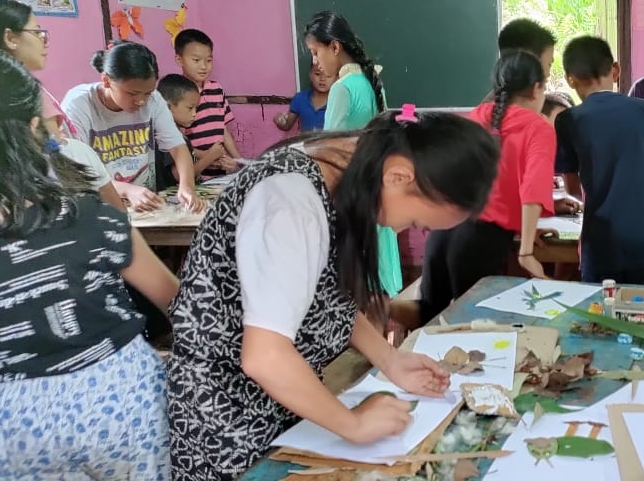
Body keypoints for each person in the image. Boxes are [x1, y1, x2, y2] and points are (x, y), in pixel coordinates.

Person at [165, 109, 500, 480]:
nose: (408, 228)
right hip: (228, 416)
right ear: (398, 175)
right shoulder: (292, 201)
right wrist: (351, 424)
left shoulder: (346, 170)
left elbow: (321, 293)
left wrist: (389, 360)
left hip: (284, 398)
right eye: (417, 220)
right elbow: (265, 357)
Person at [0, 47, 178, 480]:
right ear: (32, 132)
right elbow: (174, 298)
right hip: (124, 400)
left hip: (19, 418)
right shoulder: (91, 218)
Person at [399, 50, 558, 327]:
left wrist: (525, 228)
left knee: (430, 313)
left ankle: (380, 318)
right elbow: (532, 189)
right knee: (476, 324)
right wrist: (526, 252)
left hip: (442, 231)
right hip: (480, 240)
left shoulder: (476, 115)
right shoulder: (538, 127)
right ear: (537, 88)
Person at [0, 0, 122, 210]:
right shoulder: (24, 93)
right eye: (37, 32)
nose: (44, 40)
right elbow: (54, 154)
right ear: (10, 38)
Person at [555, 36, 644, 285]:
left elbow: (572, 190)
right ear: (615, 70)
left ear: (570, 78)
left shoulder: (568, 119)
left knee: (601, 318)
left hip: (603, 245)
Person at [303, 10, 403, 298]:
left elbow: (326, 147)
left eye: (315, 52)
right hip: (374, 186)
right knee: (376, 279)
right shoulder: (372, 82)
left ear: (334, 47)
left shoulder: (343, 89)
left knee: (353, 281)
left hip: (352, 191)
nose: (316, 63)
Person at [61, 42, 204, 213]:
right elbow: (77, 172)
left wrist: (186, 187)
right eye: (132, 93)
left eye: (147, 93)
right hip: (99, 208)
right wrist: (128, 191)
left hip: (144, 206)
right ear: (106, 81)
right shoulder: (79, 104)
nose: (141, 101)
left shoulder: (154, 100)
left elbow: (178, 148)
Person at [175, 28, 241, 178]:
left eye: (209, 60)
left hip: (219, 171)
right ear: (179, 60)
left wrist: (239, 160)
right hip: (193, 172)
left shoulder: (216, 89)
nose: (204, 66)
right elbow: (178, 142)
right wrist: (207, 156)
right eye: (196, 60)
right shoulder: (177, 96)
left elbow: (222, 128)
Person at [156, 74, 218, 191]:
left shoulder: (177, 131)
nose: (194, 113)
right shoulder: (167, 136)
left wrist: (207, 156)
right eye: (190, 108)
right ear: (168, 108)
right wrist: (209, 157)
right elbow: (178, 175)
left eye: (196, 108)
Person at [276, 63, 331, 132]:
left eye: (328, 75)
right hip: (306, 142)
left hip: (330, 142)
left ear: (336, 77)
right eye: (317, 74)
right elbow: (287, 125)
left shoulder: (339, 102)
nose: (322, 79)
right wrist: (280, 121)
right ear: (310, 75)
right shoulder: (300, 99)